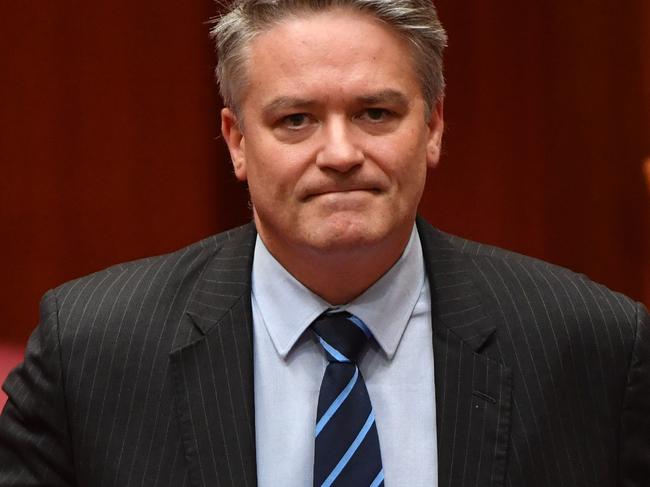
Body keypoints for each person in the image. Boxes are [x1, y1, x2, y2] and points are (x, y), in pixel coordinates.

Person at [1, 0, 648, 485]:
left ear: (434, 126)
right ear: (236, 142)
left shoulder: (594, 346)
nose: (340, 153)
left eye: (375, 113)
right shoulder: (90, 351)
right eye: (296, 119)